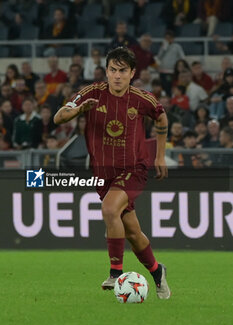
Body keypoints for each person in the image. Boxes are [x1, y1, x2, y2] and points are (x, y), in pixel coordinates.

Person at [54, 47, 171, 299]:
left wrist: (160, 155)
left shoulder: (142, 99)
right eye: (113, 70)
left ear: (132, 73)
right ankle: (157, 271)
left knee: (109, 209)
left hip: (134, 169)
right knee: (132, 232)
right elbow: (58, 117)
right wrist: (78, 110)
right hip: (103, 174)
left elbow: (161, 118)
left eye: (123, 71)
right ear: (106, 71)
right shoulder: (91, 93)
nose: (117, 76)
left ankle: (116, 273)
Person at [157, 30, 185, 95]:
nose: (168, 39)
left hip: (172, 71)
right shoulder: (163, 46)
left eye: (170, 38)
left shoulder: (177, 46)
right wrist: (164, 48)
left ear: (173, 38)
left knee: (170, 87)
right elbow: (159, 57)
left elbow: (182, 57)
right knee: (163, 87)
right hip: (163, 71)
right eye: (166, 38)